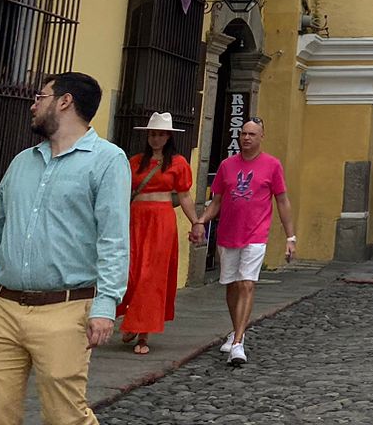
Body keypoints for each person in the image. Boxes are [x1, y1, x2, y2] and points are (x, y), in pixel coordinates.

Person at [0, 72, 128, 425]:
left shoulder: (107, 160)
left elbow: (114, 239)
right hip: (0, 310)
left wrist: (105, 305)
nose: (33, 104)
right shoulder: (21, 162)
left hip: (65, 310)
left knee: (66, 416)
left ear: (65, 102)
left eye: (41, 96)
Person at [196, 117, 296, 367]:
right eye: (243, 133)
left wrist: (290, 237)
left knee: (246, 284)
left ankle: (239, 342)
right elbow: (217, 201)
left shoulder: (272, 165)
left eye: (252, 134)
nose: (247, 138)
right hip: (229, 234)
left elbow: (282, 201)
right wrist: (201, 221)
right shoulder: (227, 166)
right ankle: (236, 330)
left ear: (262, 136)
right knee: (231, 285)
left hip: (256, 234)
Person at [118, 112, 198, 355]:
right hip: (136, 218)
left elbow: (184, 195)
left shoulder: (178, 163)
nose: (156, 138)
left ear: (168, 137)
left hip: (161, 221)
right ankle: (132, 318)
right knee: (131, 272)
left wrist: (196, 222)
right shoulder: (135, 162)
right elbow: (120, 191)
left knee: (151, 276)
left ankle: (143, 333)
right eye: (153, 134)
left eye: (161, 134)